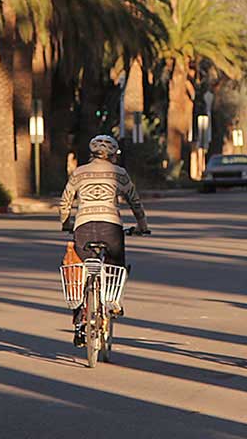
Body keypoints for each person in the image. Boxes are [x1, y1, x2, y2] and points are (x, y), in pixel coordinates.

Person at [59, 134, 149, 345]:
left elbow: (65, 201)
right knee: (115, 263)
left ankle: (80, 320)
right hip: (111, 226)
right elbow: (134, 201)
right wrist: (142, 226)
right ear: (113, 155)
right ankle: (112, 301)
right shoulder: (119, 173)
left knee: (81, 270)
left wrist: (66, 223)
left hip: (83, 227)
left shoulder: (79, 172)